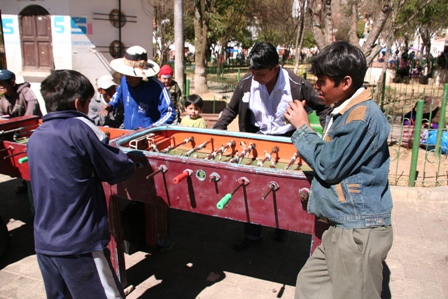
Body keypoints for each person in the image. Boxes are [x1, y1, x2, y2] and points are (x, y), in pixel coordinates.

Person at [284, 40, 393, 299]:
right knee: (310, 286)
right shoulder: (345, 110)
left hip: (358, 230)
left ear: (345, 83)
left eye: (322, 82)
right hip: (341, 226)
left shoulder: (362, 117)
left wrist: (302, 128)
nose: (316, 87)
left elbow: (329, 165)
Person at [27, 69, 136, 298]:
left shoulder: (36, 135)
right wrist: (131, 161)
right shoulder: (80, 127)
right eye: (88, 103)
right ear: (79, 103)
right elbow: (115, 169)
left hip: (45, 244)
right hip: (80, 244)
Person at [213, 41, 330, 251]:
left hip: (287, 143)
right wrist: (215, 134)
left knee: (283, 189)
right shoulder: (247, 83)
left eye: (261, 74)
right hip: (256, 142)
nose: (256, 78)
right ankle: (252, 234)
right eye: (253, 72)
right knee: (250, 187)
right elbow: (230, 111)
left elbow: (323, 108)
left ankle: (281, 227)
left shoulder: (297, 85)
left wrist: (328, 135)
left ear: (275, 69)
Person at [102, 45, 176, 129]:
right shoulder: (124, 81)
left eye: (131, 76)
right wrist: (110, 105)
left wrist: (152, 128)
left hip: (148, 136)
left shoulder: (157, 88)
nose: (127, 79)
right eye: (126, 75)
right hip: (127, 133)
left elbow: (169, 113)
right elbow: (119, 95)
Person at [0, 69, 42, 195]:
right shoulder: (2, 100)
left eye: (2, 83)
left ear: (12, 83)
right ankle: (25, 182)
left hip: (31, 131)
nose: (0, 87)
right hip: (14, 133)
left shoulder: (25, 91)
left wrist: (24, 123)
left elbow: (33, 106)